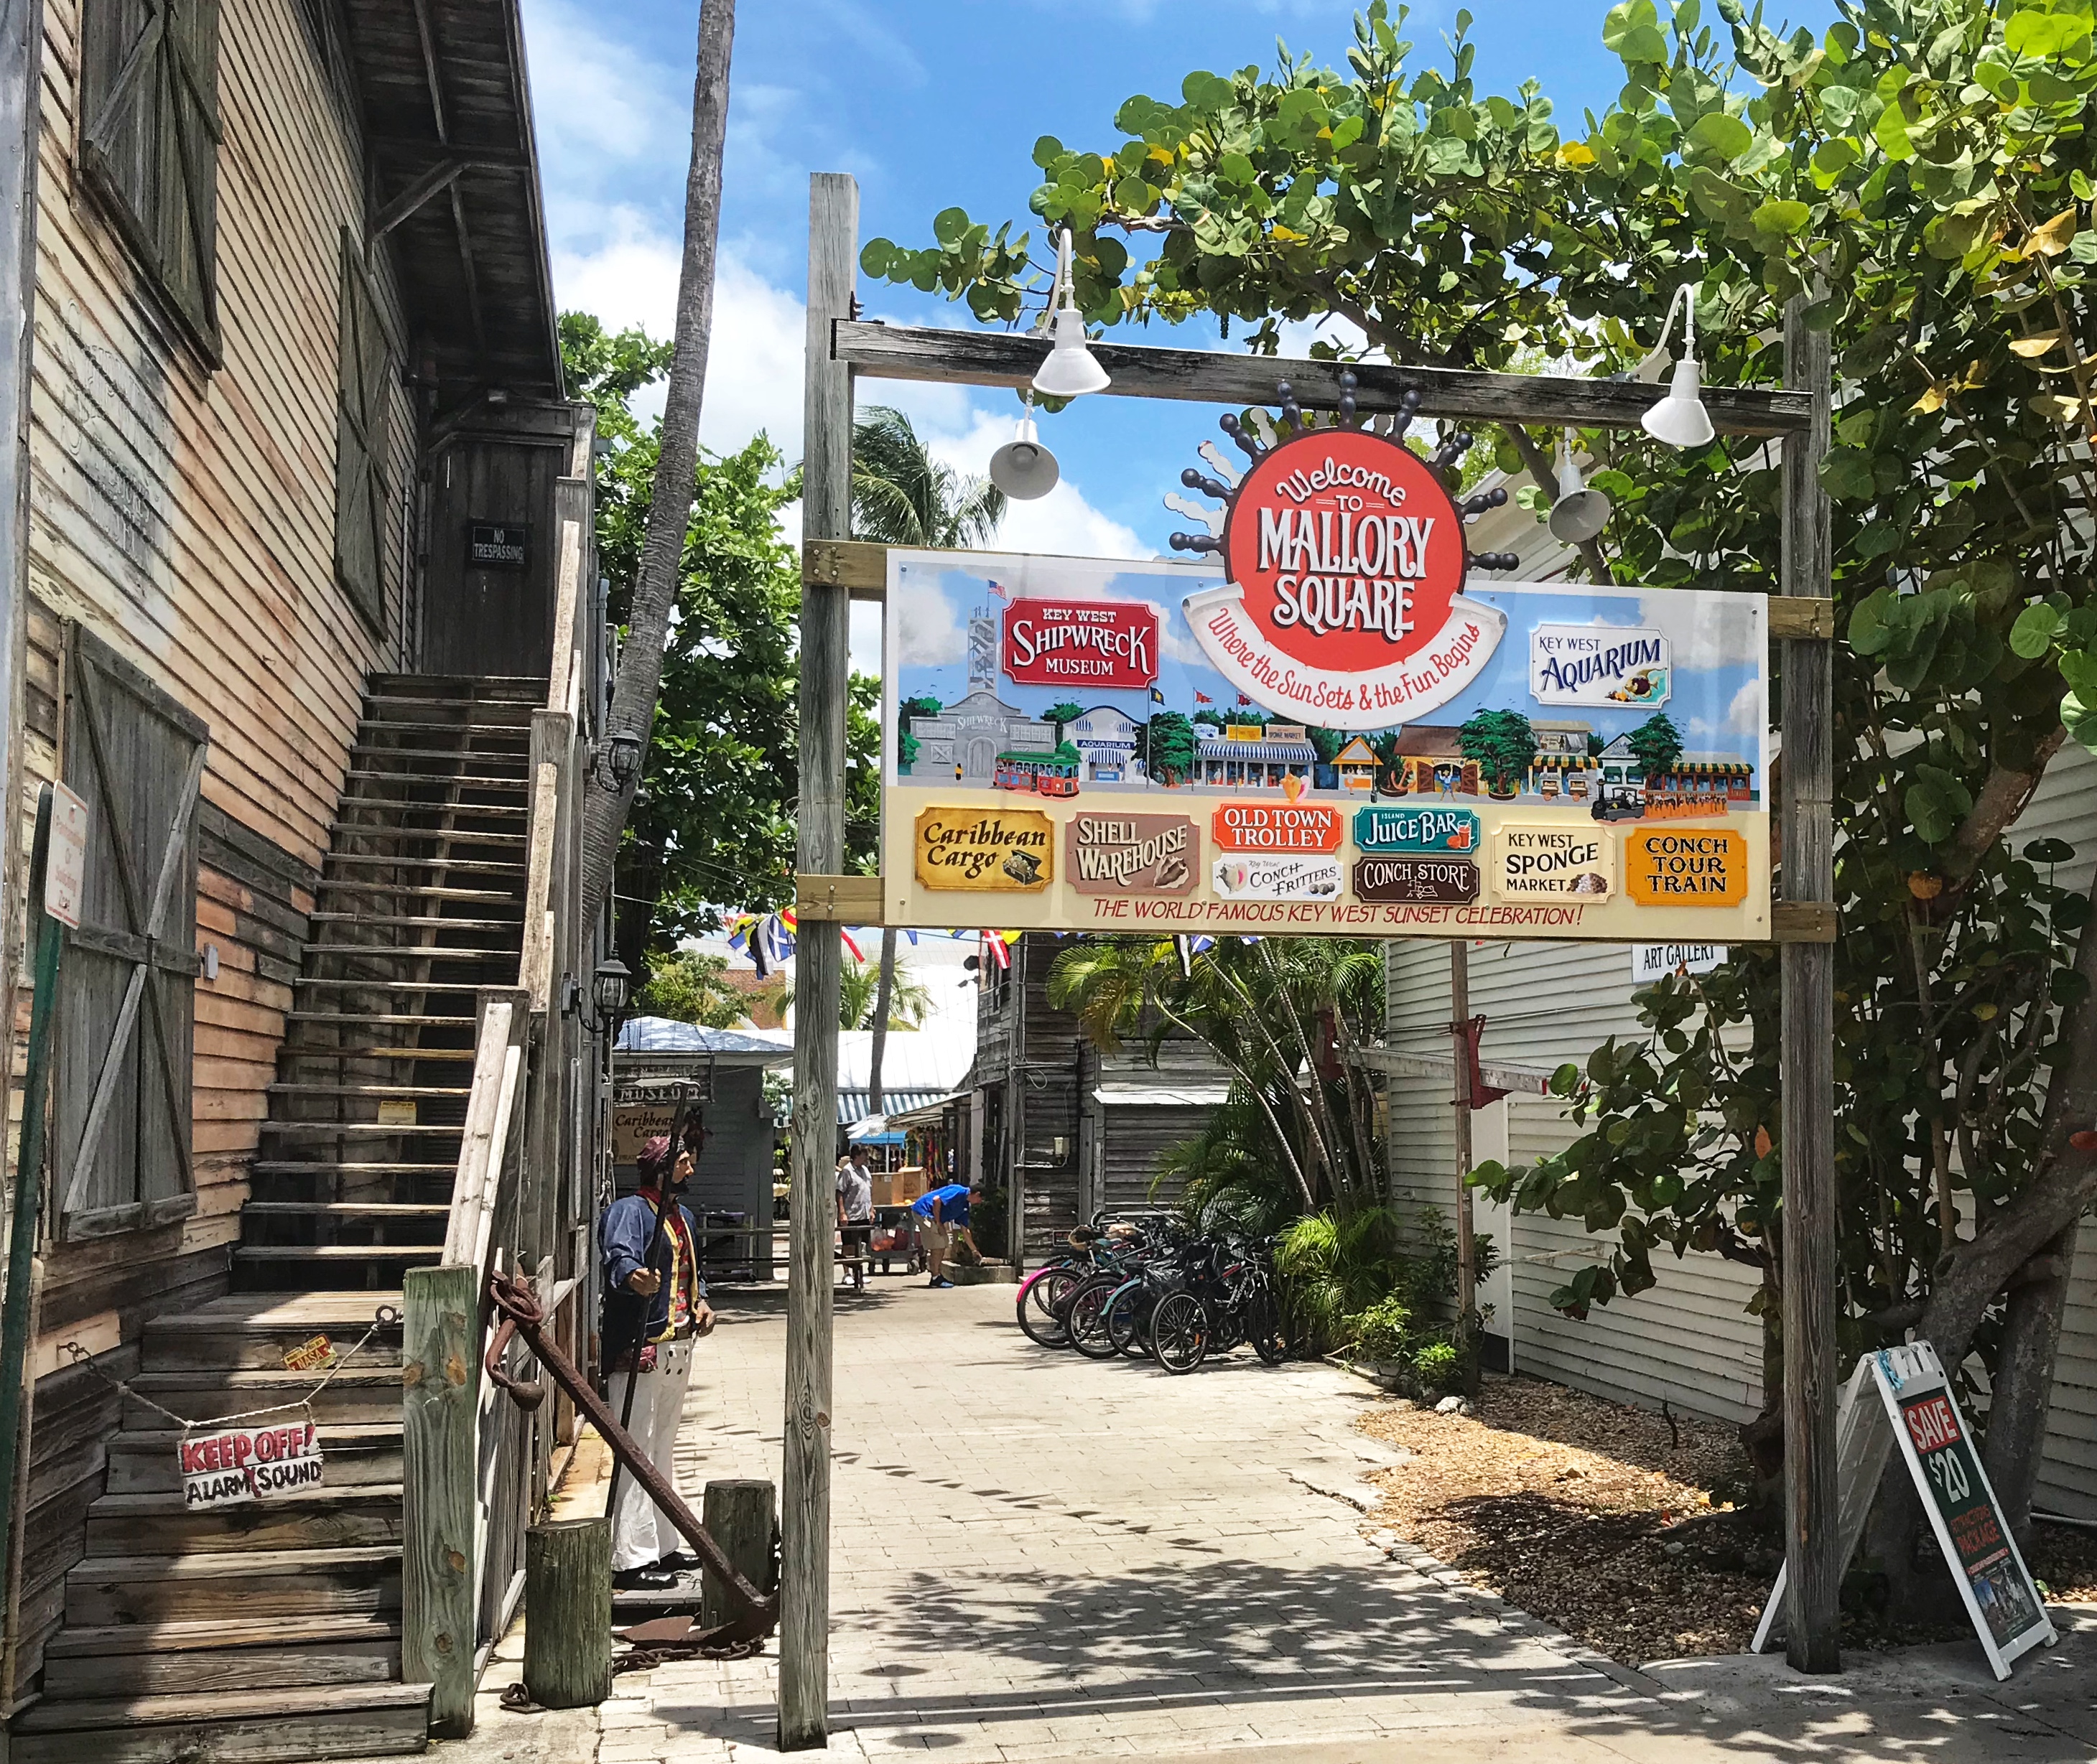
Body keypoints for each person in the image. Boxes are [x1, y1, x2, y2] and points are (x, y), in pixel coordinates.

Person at [600, 1133, 714, 1591]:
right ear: (662, 1169)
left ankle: (664, 1543)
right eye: (684, 1163)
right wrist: (633, 1275)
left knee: (662, 1448)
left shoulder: (682, 1217)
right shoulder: (630, 1211)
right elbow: (618, 1257)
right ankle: (630, 1555)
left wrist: (702, 1300)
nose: (691, 1170)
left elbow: (693, 1272)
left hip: (677, 1346)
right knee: (635, 1452)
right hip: (641, 1349)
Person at [836, 1144, 873, 1294]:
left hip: (864, 1213)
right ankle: (848, 1273)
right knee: (849, 1245)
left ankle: (859, 1273)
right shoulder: (847, 1171)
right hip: (851, 1214)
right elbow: (839, 1192)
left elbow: (869, 1190)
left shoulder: (865, 1171)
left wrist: (872, 1208)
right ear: (857, 1156)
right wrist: (842, 1213)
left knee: (861, 1245)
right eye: (864, 1155)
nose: (866, 1158)